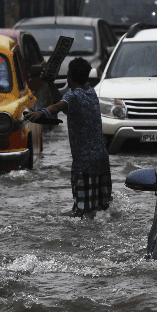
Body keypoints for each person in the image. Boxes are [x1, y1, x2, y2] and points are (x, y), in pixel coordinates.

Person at [24, 57, 111, 217]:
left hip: (84, 164)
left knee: (80, 213)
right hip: (101, 160)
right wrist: (50, 83)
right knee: (101, 208)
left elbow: (58, 106)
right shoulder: (91, 93)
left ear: (69, 76)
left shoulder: (73, 97)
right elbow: (65, 105)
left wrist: (41, 112)